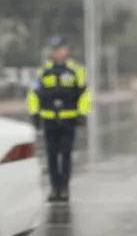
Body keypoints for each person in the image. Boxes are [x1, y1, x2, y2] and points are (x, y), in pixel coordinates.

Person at [26, 36, 92, 202]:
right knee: (52, 156)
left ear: (66, 50)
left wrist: (82, 113)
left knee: (66, 155)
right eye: (54, 49)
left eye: (60, 49)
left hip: (68, 120)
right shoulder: (43, 71)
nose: (57, 52)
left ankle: (64, 188)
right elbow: (33, 93)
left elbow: (84, 94)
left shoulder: (77, 70)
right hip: (49, 120)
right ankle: (54, 189)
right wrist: (34, 113)